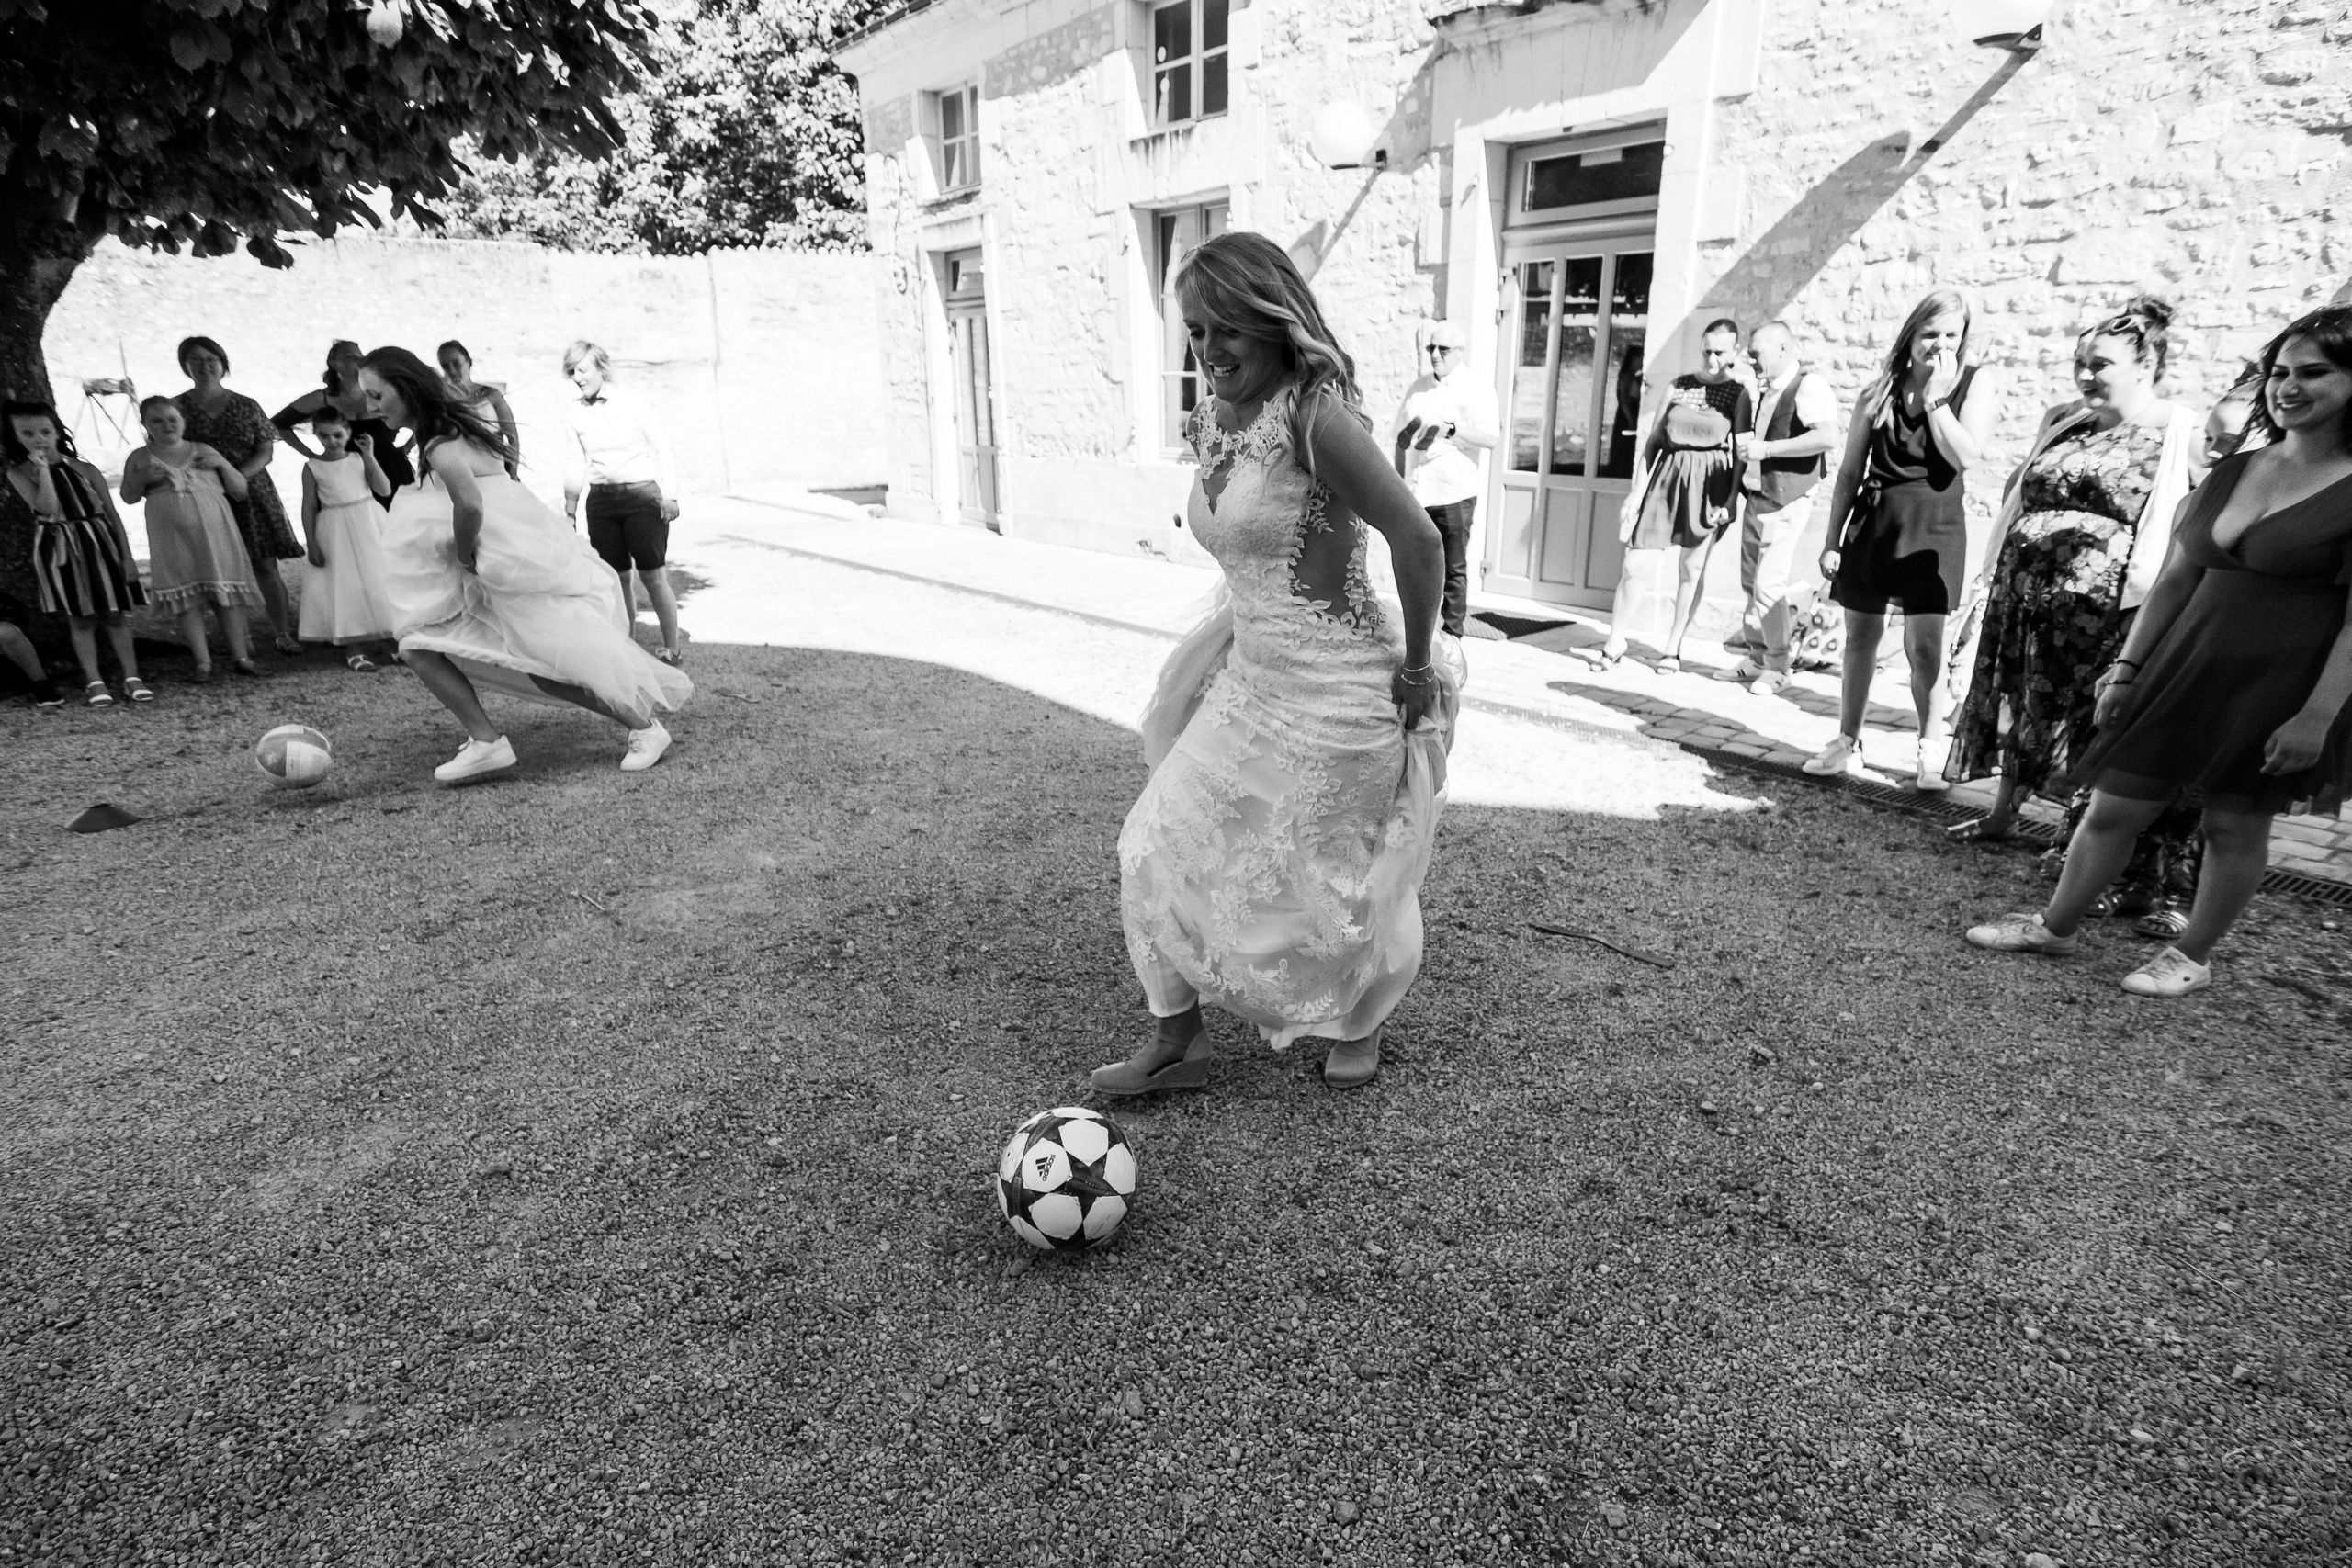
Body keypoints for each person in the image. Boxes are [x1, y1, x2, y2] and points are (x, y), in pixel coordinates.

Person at [1091, 231, 1458, 1095]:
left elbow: (1418, 539)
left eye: (1226, 329)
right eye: (1194, 331)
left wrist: (1415, 668)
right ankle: (1178, 1037)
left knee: (1330, 878)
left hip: (1343, 692)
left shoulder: (1314, 416)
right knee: (1153, 840)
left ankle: (1359, 1019)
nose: (1208, 350)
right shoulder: (1209, 420)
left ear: (1271, 321)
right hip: (1254, 677)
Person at [1966, 306, 2352, 998]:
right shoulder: (2237, 469)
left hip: (2280, 680)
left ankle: (2192, 955)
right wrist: (2128, 667)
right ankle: (2056, 925)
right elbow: (2177, 577)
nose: (2287, 387)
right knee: (2114, 805)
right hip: (2182, 663)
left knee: (2232, 824)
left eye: (2313, 373)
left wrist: (2318, 716)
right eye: (2279, 372)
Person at [1945, 300, 2208, 930]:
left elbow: (2202, 520)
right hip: (2028, 603)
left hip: (2113, 614)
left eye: (2101, 364)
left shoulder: (2180, 430)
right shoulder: (2064, 419)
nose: (2085, 375)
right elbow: (2020, 492)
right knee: (2025, 708)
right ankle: (2006, 814)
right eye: (2079, 362)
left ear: (2146, 364)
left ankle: (2108, 860)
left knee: (2101, 731)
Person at [363, 347, 691, 781]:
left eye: (377, 395)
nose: (371, 406)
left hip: (498, 557)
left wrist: (464, 553)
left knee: (550, 665)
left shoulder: (440, 441)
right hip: (506, 549)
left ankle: (643, 728)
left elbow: (470, 503)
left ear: (405, 388)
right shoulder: (446, 427)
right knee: (422, 646)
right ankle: (487, 741)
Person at [1804, 289, 2001, 786]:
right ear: (1911, 334)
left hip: (1934, 527)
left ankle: (1929, 748)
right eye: (1930, 333)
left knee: (1926, 646)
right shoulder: (1878, 393)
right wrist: (1831, 540)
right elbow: (1849, 472)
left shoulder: (1974, 383)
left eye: (1952, 334)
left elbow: (1965, 455)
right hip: (1874, 523)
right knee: (1860, 638)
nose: (1941, 344)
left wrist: (1936, 398)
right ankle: (1847, 742)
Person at [1593, 317, 1754, 672]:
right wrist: (1637, 492)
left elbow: (1741, 453)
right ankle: (1616, 638)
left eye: (1720, 353)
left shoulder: (1739, 394)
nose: (1712, 359)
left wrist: (1731, 500)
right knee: (1635, 565)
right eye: (1707, 351)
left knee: (1691, 569)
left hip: (1710, 484)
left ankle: (1673, 646)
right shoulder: (1678, 385)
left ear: (1735, 351)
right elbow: (1652, 443)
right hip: (1666, 480)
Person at [3, 402, 150, 705]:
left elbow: (112, 514)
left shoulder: (85, 469)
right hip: (59, 548)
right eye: (28, 434)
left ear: (57, 431)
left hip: (99, 543)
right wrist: (43, 470)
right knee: (80, 617)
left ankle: (132, 676)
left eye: (45, 431)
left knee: (114, 613)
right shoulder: (19, 473)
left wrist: (126, 557)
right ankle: (94, 681)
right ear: (16, 437)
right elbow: (47, 508)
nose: (39, 438)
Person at [1724, 321, 1840, 694]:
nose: (1750, 360)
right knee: (1749, 581)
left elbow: (1827, 436)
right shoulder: (1765, 389)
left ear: (1784, 349)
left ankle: (1778, 666)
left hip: (1788, 498)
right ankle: (1759, 657)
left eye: (1756, 353)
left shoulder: (1809, 385)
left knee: (1767, 583)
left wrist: (1769, 449)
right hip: (1759, 496)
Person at [175, 334, 304, 652]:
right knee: (219, 568)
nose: (204, 366)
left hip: (251, 491)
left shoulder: (247, 405)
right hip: (202, 494)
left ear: (223, 364)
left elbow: (265, 450)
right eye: (195, 360)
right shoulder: (176, 407)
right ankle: (240, 639)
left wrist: (237, 477)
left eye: (211, 359)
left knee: (265, 565)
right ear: (185, 365)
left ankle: (282, 633)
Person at [120, 394, 264, 681]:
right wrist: (142, 478)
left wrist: (222, 463)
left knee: (226, 594)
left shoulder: (202, 450)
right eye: (157, 421)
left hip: (215, 533)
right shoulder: (139, 457)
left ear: (183, 421)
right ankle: (202, 662)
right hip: (171, 537)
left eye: (172, 419)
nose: (167, 425)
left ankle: (241, 657)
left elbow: (239, 489)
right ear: (145, 424)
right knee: (186, 598)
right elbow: (128, 497)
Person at [560, 342, 686, 665]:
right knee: (617, 579)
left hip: (641, 498)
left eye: (582, 370)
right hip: (601, 503)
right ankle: (626, 648)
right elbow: (575, 462)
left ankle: (672, 649)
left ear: (601, 367)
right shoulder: (574, 412)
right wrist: (570, 511)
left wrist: (670, 494)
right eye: (572, 371)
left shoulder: (632, 401)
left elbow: (662, 446)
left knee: (652, 575)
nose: (577, 377)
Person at [1389, 318, 1498, 637]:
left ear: (1460, 351)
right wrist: (1398, 484)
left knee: (1454, 567)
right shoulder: (1418, 388)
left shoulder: (1477, 387)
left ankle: (1452, 635)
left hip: (1454, 491)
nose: (1435, 354)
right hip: (1417, 491)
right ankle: (1419, 632)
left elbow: (1491, 438)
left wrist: (1450, 429)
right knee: (1417, 565)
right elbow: (1398, 439)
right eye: (1431, 348)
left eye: (1443, 349)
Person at [297, 407, 399, 670]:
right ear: (316, 435)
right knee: (345, 585)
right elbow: (309, 506)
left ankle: (396, 641)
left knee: (381, 578)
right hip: (334, 528)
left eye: (337, 435)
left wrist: (369, 455)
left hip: (368, 521)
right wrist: (311, 544)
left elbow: (384, 489)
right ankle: (355, 647)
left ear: (348, 432)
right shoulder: (313, 467)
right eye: (324, 436)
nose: (331, 441)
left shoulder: (359, 459)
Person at [274, 340, 415, 509]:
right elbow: (278, 424)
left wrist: (408, 445)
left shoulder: (381, 392)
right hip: (344, 471)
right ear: (334, 363)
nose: (358, 361)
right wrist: (309, 453)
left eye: (360, 357)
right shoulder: (321, 398)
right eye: (350, 357)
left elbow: (423, 413)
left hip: (389, 468)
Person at [437, 340, 521, 478]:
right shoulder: (441, 401)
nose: (451, 370)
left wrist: (512, 474)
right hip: (458, 476)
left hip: (493, 474)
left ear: (469, 362)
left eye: (456, 363)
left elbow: (512, 438)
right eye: (445, 366)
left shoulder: (491, 395)